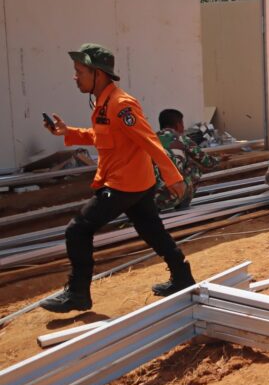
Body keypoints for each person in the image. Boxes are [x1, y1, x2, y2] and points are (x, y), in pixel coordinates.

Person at [41, 43, 194, 312]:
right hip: (135, 182)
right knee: (152, 230)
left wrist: (174, 177)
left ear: (98, 74)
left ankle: (78, 293)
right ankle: (182, 277)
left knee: (78, 229)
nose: (75, 77)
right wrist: (68, 132)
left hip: (123, 184)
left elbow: (148, 140)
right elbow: (101, 135)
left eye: (80, 71)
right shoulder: (103, 103)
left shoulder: (122, 105)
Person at [153, 109, 220, 211]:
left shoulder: (150, 139)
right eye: (182, 124)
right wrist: (219, 160)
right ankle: (183, 202)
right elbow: (208, 163)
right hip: (171, 197)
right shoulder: (182, 139)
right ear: (178, 124)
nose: (183, 127)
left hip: (150, 200)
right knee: (194, 167)